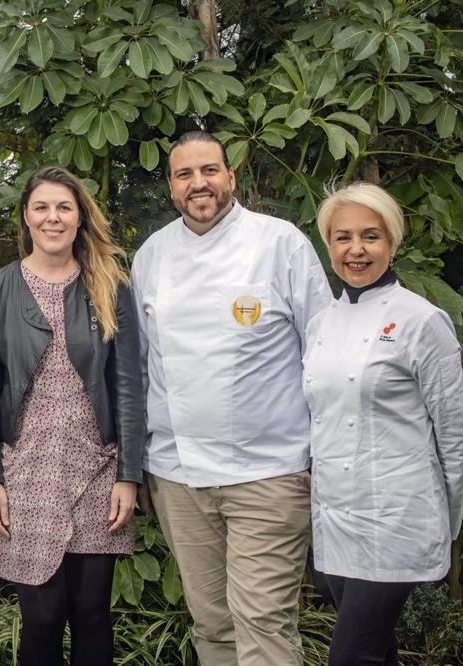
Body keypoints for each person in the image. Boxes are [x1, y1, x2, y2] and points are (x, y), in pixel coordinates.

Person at [131, 131, 333, 665]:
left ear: (231, 177)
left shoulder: (281, 242)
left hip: (268, 473)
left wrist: (324, 455)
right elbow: (141, 366)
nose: (199, 184)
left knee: (263, 622)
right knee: (213, 625)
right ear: (172, 187)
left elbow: (325, 352)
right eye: (184, 174)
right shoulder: (152, 255)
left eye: (209, 171)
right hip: (180, 475)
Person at [0, 166, 147, 666]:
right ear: (26, 217)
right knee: (43, 617)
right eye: (42, 207)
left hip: (98, 472)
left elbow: (129, 387)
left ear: (79, 218)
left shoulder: (110, 286)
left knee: (92, 614)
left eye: (64, 207)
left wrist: (128, 475)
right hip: (24, 473)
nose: (53, 218)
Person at [303, 183, 463, 666]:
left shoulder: (423, 321)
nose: (356, 249)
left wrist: (450, 521)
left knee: (351, 657)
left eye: (370, 236)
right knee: (377, 652)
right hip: (334, 517)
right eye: (343, 237)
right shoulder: (320, 325)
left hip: (397, 517)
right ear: (328, 245)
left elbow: (455, 433)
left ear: (392, 243)